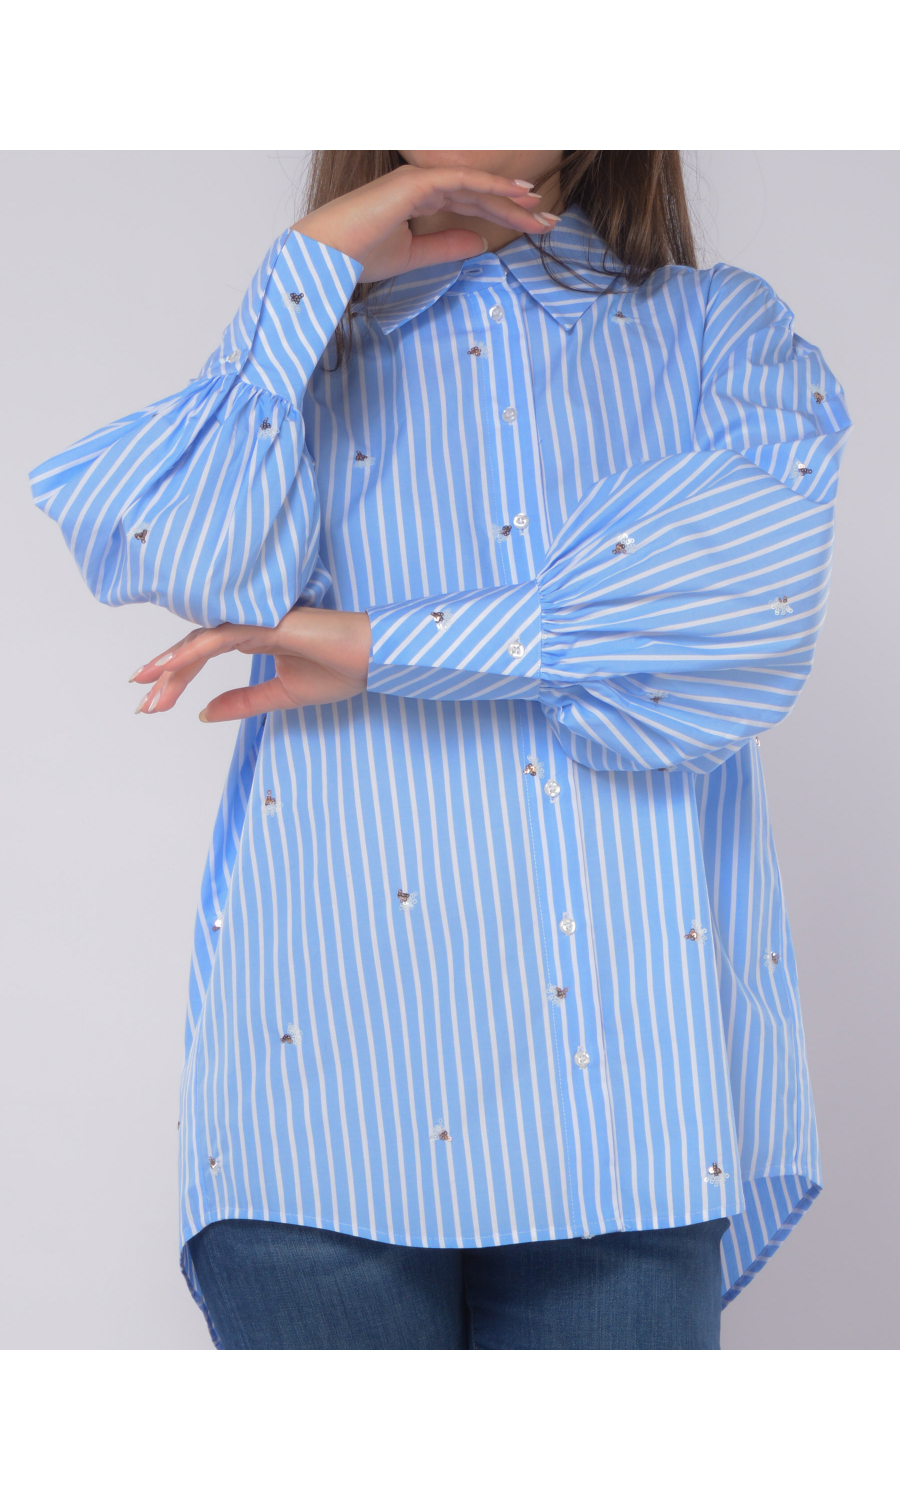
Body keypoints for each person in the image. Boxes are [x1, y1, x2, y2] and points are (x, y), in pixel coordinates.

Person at [30, 150, 852, 1349]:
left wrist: (376, 646)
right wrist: (311, 266)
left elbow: (736, 608)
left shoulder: (719, 333)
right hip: (317, 1099)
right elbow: (181, 553)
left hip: (619, 1105)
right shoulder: (305, 349)